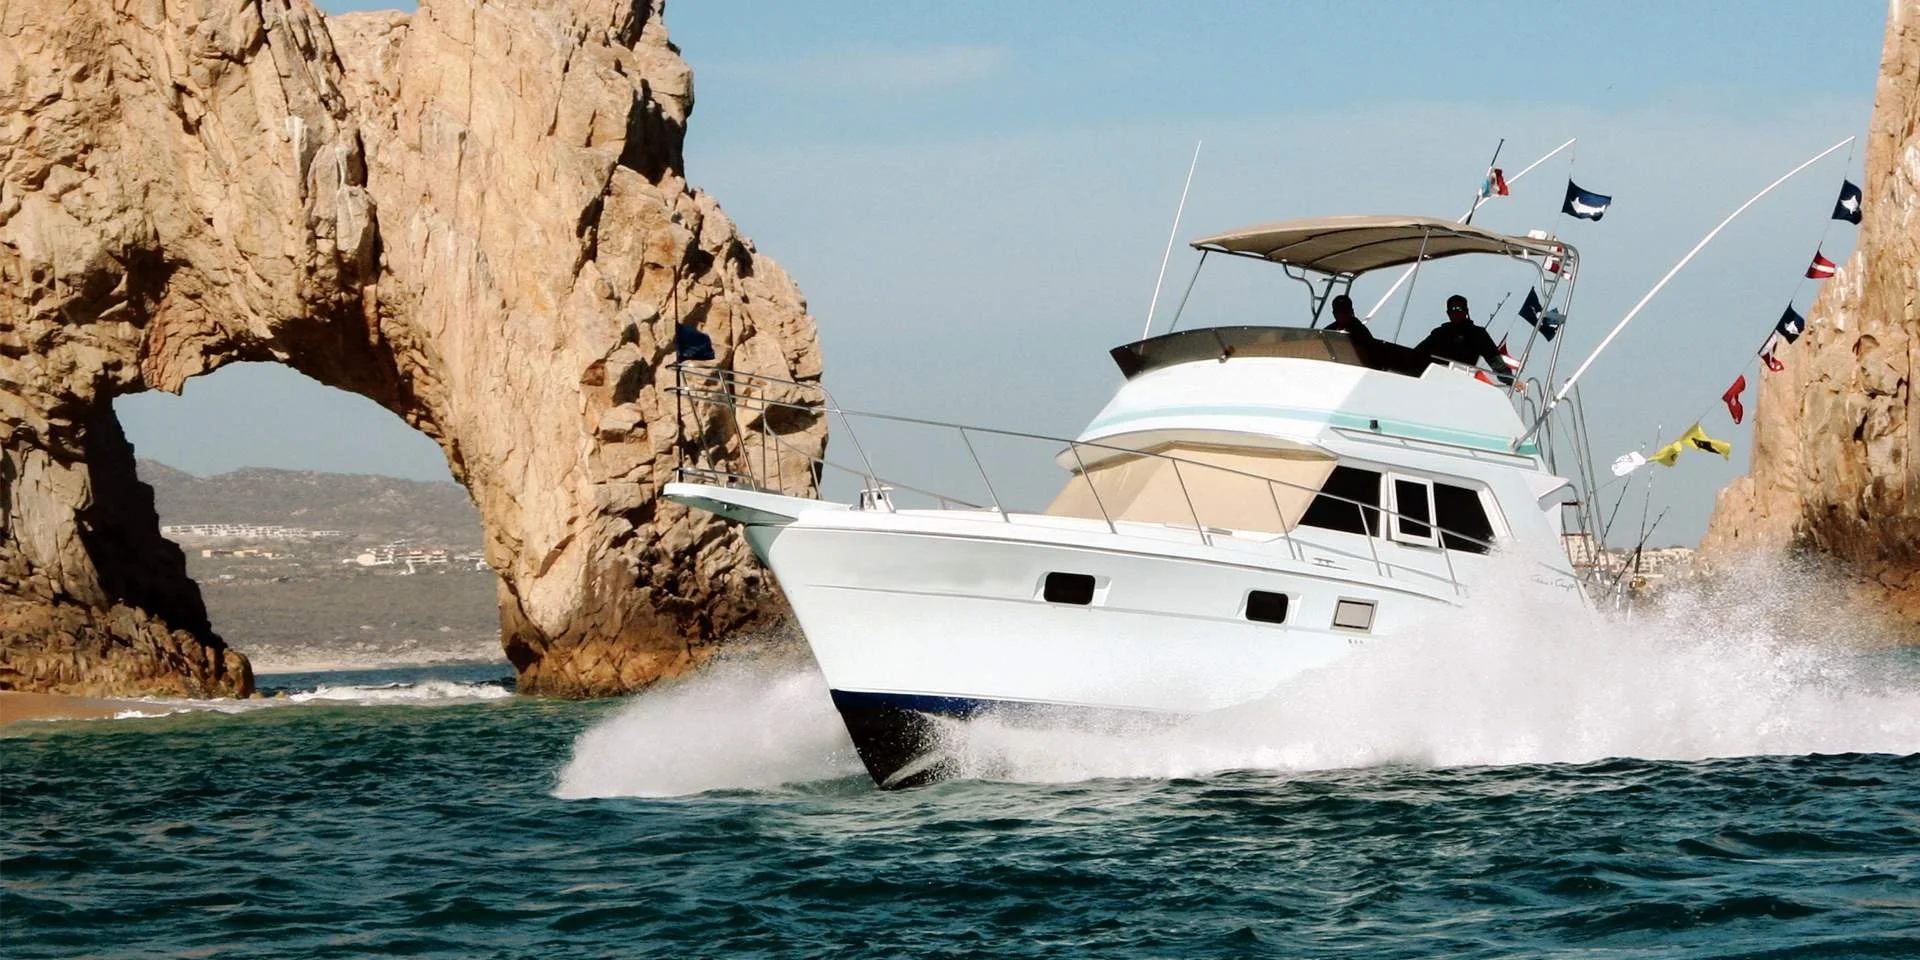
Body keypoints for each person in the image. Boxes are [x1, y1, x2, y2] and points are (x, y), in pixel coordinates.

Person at [1414, 294, 1513, 386]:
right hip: (1435, 379)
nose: (1455, 312)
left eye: (1459, 309)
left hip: (1462, 381)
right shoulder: (1439, 333)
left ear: (1466, 311)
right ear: (1448, 313)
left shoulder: (1478, 334)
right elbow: (1416, 354)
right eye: (1452, 309)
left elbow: (1495, 360)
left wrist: (1511, 380)